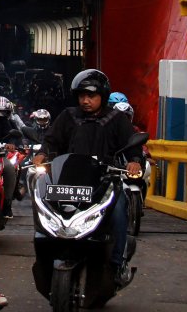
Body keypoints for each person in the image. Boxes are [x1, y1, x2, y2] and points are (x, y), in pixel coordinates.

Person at [32, 69, 143, 285]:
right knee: (44, 204)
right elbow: (51, 140)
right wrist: (41, 154)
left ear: (102, 95)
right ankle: (47, 254)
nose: (86, 101)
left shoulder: (116, 119)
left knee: (119, 210)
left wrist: (134, 160)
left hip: (105, 180)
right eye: (82, 96)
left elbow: (133, 146)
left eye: (91, 96)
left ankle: (118, 263)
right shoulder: (68, 116)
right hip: (68, 180)